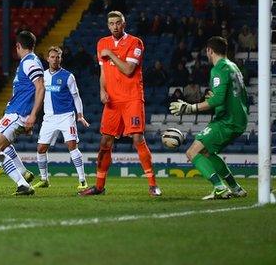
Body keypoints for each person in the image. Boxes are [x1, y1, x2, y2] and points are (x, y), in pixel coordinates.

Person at [80, 11, 162, 197]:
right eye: (111, 23)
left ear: (124, 24)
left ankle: (152, 185)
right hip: (113, 101)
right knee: (104, 141)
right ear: (108, 25)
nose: (115, 26)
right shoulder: (102, 43)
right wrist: (102, 90)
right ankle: (99, 186)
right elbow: (103, 72)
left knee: (137, 139)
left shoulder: (135, 42)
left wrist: (111, 54)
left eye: (118, 23)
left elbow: (129, 70)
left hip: (132, 98)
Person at [169, 36, 248, 199]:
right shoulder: (233, 67)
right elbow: (233, 95)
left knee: (192, 152)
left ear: (209, 51)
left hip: (227, 120)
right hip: (238, 119)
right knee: (206, 153)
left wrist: (190, 107)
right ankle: (235, 188)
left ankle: (220, 188)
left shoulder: (218, 68)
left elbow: (218, 100)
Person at [0, 31, 45, 196]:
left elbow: (40, 87)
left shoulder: (30, 62)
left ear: (18, 46)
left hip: (19, 114)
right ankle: (24, 172)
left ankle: (23, 184)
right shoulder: (27, 62)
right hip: (13, 112)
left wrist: (32, 115)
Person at [32, 46, 90, 192]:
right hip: (49, 118)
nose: (55, 59)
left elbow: (76, 96)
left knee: (72, 146)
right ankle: (44, 180)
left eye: (57, 57)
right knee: (40, 149)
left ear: (61, 58)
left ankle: (82, 180)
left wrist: (80, 115)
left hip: (66, 116)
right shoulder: (42, 76)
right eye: (52, 57)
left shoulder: (68, 76)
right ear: (47, 59)